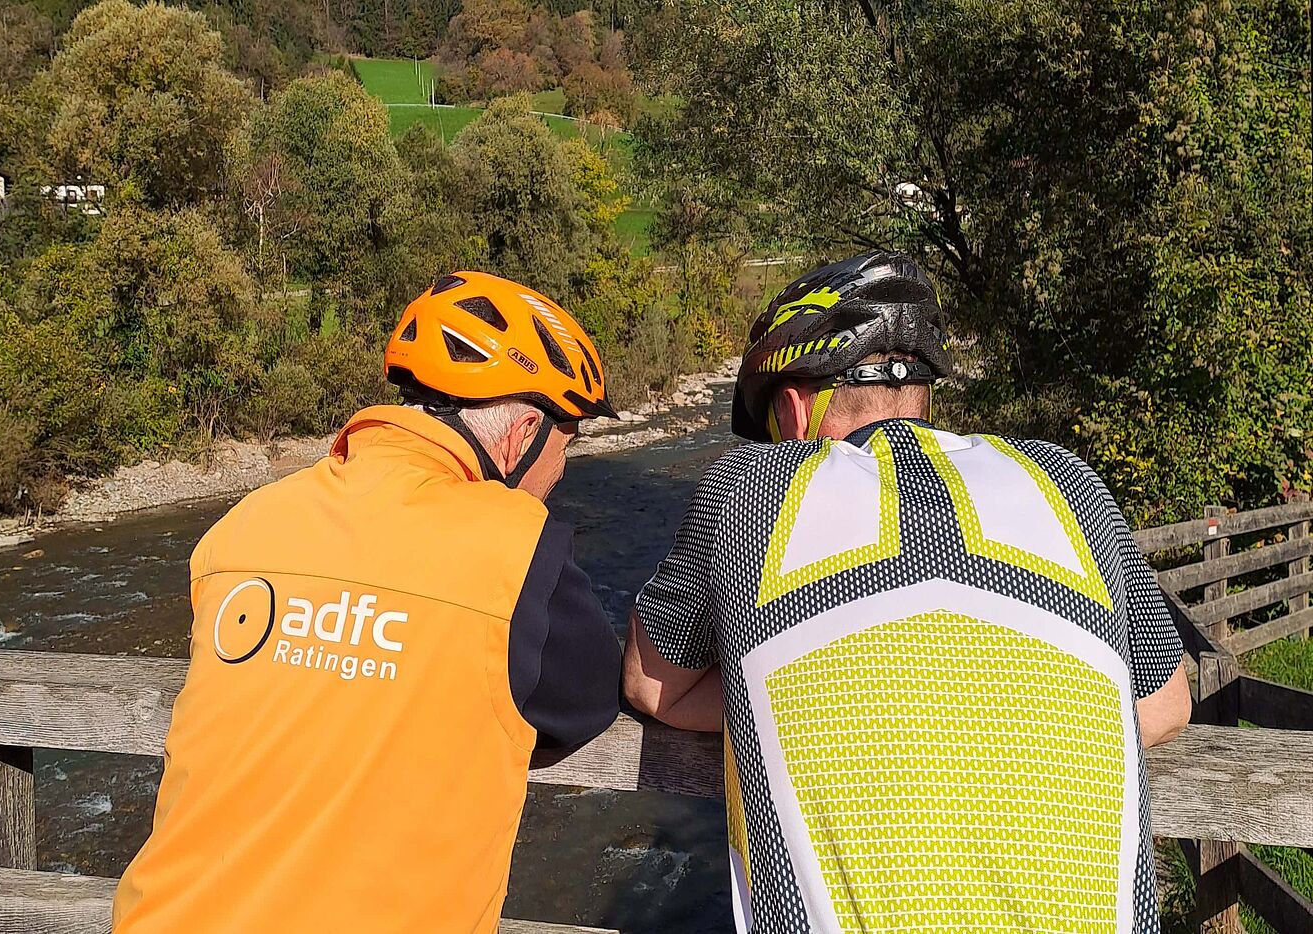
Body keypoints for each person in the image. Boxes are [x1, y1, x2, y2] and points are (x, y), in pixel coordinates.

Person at [623, 252, 1192, 934]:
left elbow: (655, 685)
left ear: (794, 410)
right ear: (923, 394)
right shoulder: (1067, 479)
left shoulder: (751, 488)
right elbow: (1164, 704)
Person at [113, 272, 623, 933]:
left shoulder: (244, 523)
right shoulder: (519, 549)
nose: (561, 468)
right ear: (524, 432)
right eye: (568, 441)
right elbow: (585, 702)